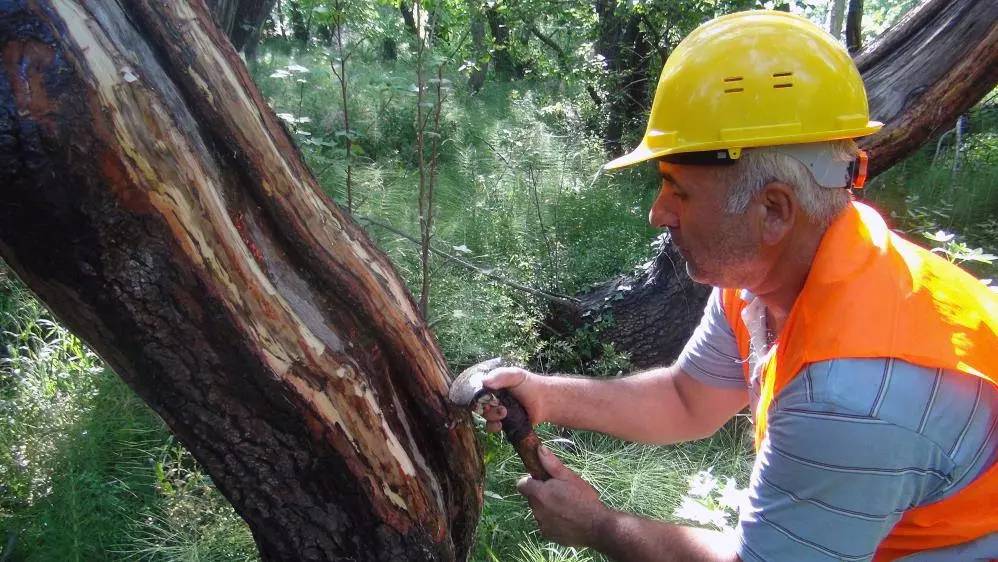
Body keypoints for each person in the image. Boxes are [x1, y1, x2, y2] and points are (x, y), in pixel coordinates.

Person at [481, 10, 997, 562]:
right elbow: (686, 400)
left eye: (678, 190)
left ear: (773, 209)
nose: (658, 213)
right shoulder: (771, 275)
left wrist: (599, 525)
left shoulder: (855, 394)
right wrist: (546, 396)